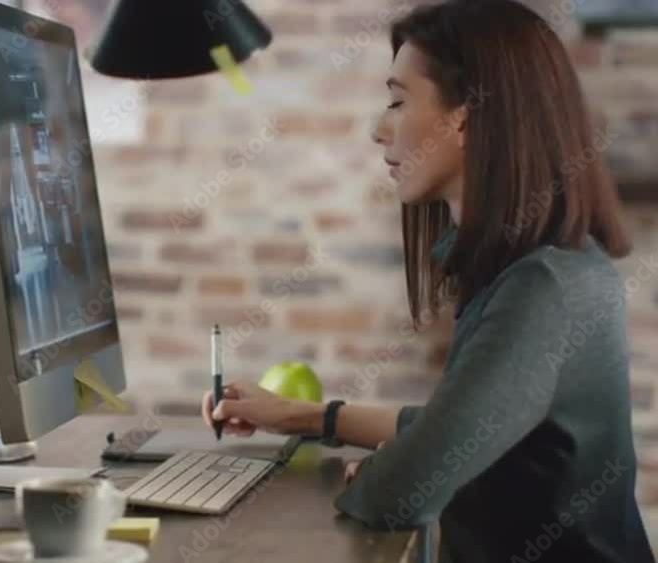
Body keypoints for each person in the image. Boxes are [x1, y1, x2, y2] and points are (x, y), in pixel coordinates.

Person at [201, 1, 654, 561]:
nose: (377, 129)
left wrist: (393, 469)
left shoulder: (544, 287)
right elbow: (461, 423)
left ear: (465, 116)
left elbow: (398, 492)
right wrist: (299, 416)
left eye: (396, 101)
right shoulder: (543, 264)